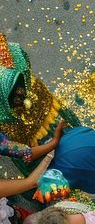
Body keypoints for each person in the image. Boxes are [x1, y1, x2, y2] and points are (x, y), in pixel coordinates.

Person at [0, 34, 80, 176]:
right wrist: (53, 144)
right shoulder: (6, 138)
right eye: (14, 95)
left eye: (21, 85)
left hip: (42, 105)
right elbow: (24, 152)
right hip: (23, 135)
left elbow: (24, 61)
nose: (22, 94)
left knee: (63, 131)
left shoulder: (13, 53)